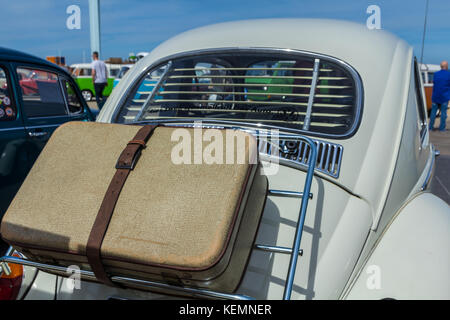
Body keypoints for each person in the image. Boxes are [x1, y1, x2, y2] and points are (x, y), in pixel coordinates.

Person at [429, 61, 450, 132]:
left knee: (433, 112)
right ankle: (442, 128)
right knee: (443, 113)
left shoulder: (436, 74)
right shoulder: (448, 74)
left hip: (435, 96)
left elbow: (434, 83)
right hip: (444, 96)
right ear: (446, 66)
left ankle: (430, 128)